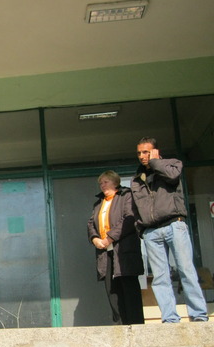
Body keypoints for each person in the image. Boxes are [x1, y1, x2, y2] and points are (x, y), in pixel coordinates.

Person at [131, 137, 209, 323]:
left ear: (155, 151)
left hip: (174, 225)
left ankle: (198, 315)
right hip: (151, 232)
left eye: (146, 152)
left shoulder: (173, 164)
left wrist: (155, 162)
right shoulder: (137, 179)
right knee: (160, 278)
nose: (142, 156)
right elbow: (136, 207)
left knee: (186, 271)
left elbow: (173, 177)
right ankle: (170, 318)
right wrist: (141, 229)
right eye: (139, 153)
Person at [87, 170, 145, 325]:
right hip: (105, 252)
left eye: (105, 182)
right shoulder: (99, 203)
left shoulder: (126, 196)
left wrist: (109, 238)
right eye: (100, 183)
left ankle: (135, 325)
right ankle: (120, 326)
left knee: (129, 288)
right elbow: (91, 224)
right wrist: (95, 239)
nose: (102, 185)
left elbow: (129, 219)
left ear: (115, 182)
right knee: (112, 290)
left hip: (124, 250)